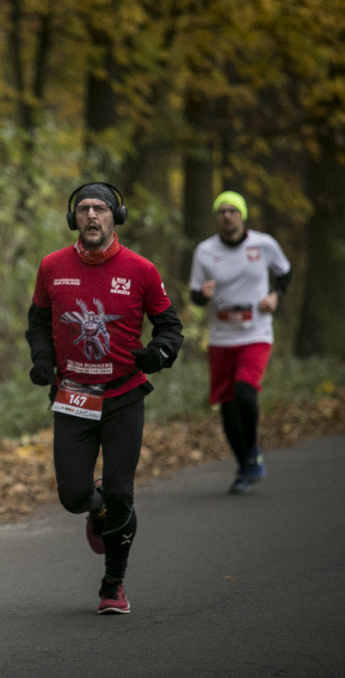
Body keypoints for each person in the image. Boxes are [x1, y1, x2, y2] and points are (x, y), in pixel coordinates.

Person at [24, 182, 183, 614]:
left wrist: (160, 353)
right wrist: (41, 359)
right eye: (84, 209)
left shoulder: (141, 270)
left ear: (117, 216)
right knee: (73, 496)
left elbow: (171, 327)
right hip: (72, 396)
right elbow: (37, 323)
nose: (92, 216)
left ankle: (113, 584)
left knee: (122, 494)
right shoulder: (52, 266)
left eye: (101, 209)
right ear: (73, 218)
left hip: (123, 396)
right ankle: (94, 507)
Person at [189, 191, 291, 494]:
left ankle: (252, 449)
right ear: (216, 217)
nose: (227, 215)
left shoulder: (264, 244)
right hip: (221, 338)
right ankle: (245, 464)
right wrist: (202, 296)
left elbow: (285, 273)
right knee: (226, 405)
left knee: (245, 392)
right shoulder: (205, 251)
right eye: (222, 211)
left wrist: (275, 296)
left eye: (233, 210)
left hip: (256, 334)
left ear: (242, 215)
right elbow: (195, 295)